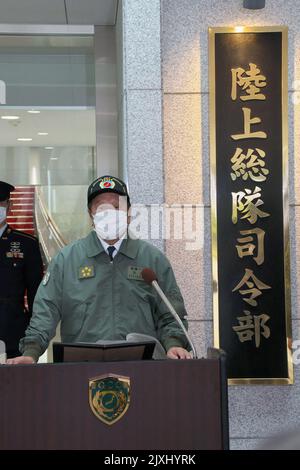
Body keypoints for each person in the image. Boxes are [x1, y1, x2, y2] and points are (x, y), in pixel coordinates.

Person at [7, 175, 192, 364]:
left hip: (140, 367)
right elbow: (45, 312)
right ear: (91, 214)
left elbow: (171, 314)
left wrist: (174, 344)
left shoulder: (152, 259)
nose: (109, 212)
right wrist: (31, 352)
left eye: (116, 206)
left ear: (128, 212)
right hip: (80, 367)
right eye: (101, 207)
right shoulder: (67, 260)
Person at [0, 181, 44, 358]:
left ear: (9, 207)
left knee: (16, 384)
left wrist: (33, 335)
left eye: (0, 204)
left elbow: (35, 292)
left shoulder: (26, 244)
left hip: (13, 332)